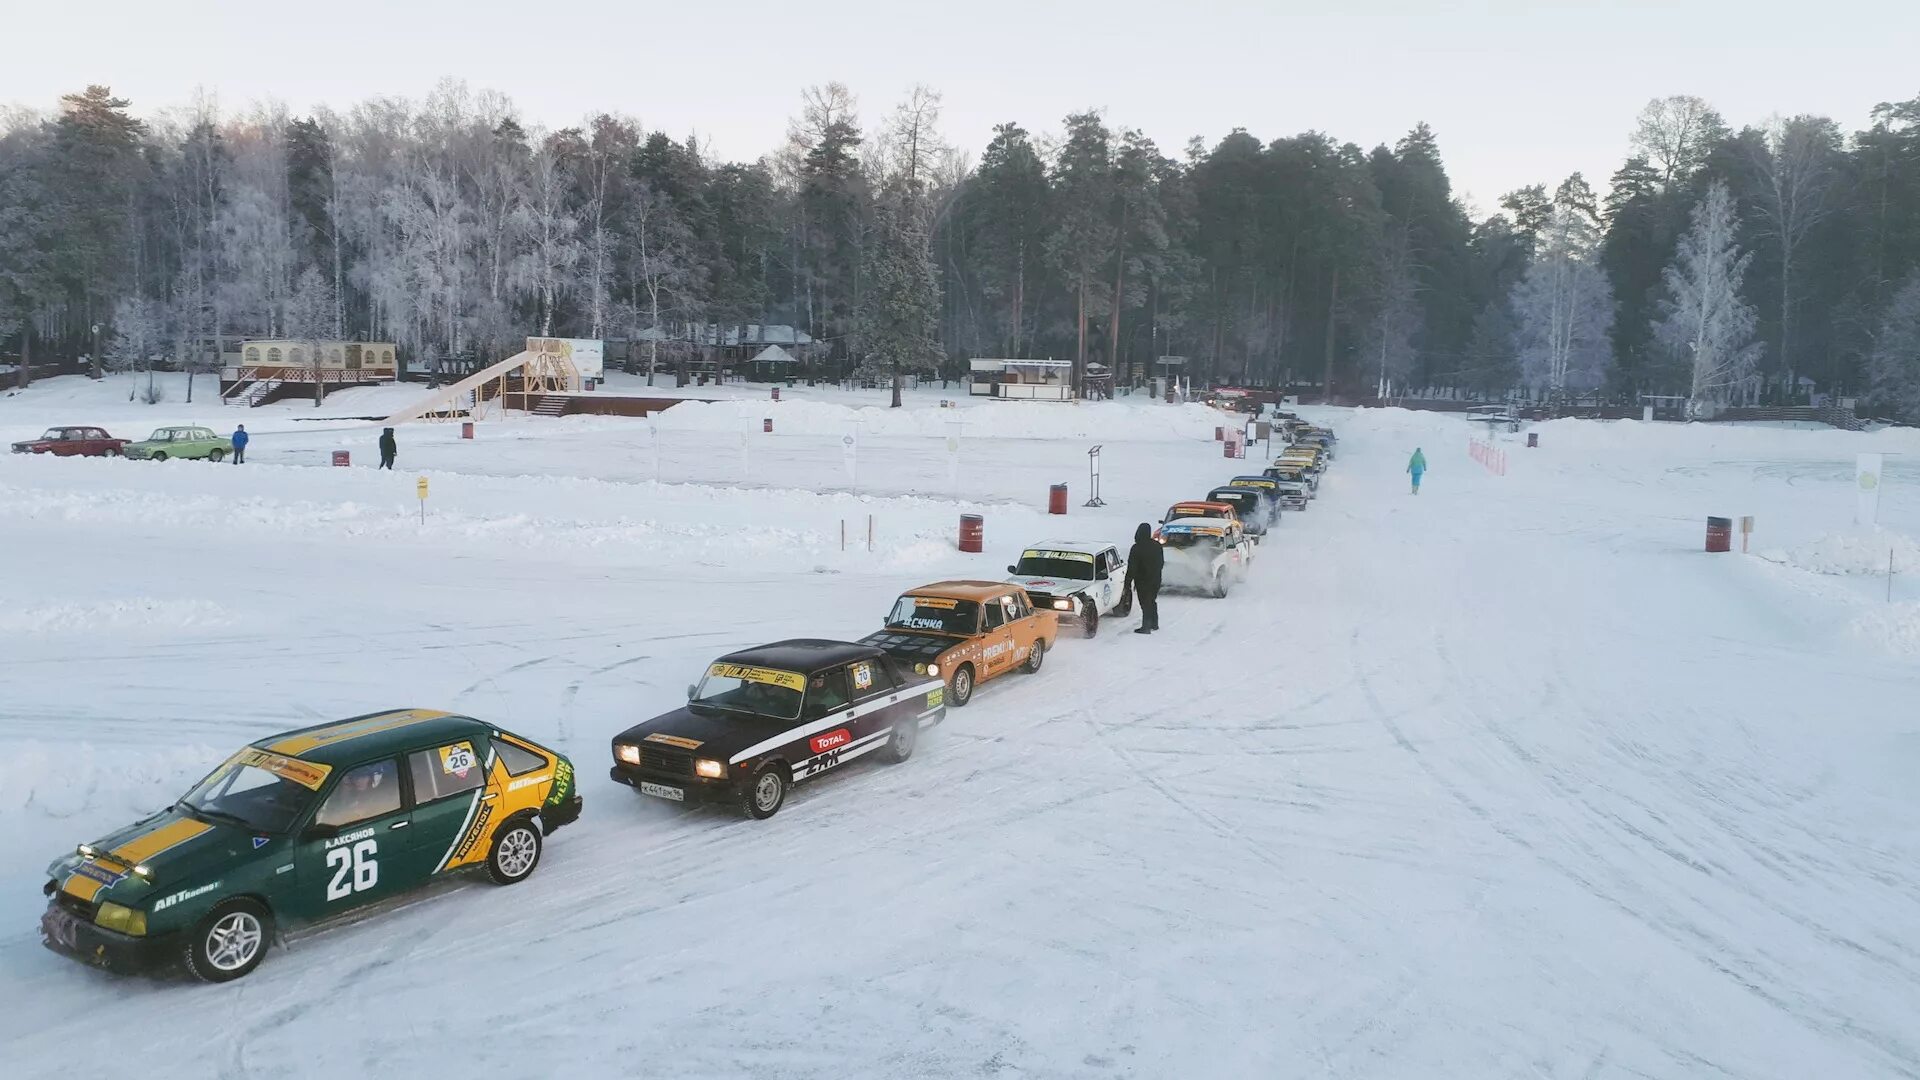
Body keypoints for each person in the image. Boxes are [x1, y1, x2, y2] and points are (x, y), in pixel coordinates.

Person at [1123, 522, 1163, 635]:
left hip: (1142, 580)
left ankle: (1146, 626)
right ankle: (1154, 623)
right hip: (1156, 579)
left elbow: (1132, 567)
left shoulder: (1136, 548)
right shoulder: (1157, 546)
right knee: (1151, 600)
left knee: (1145, 603)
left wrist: (1128, 582)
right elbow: (1161, 563)